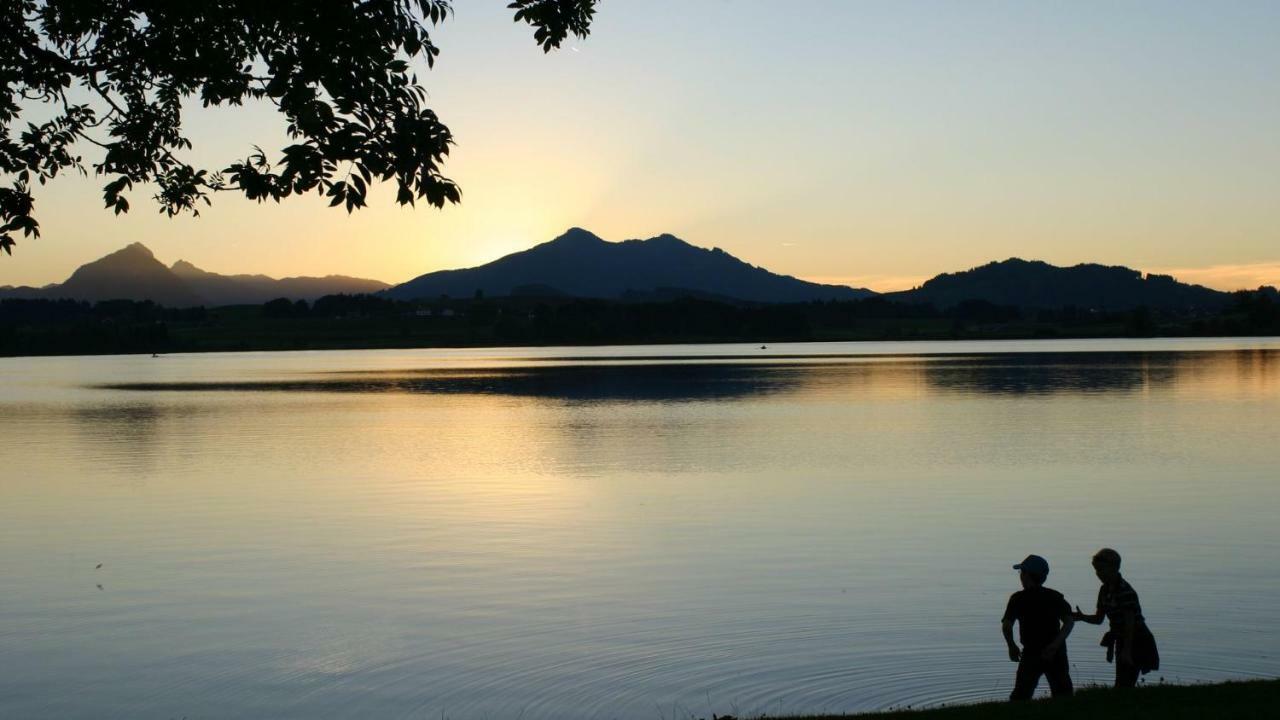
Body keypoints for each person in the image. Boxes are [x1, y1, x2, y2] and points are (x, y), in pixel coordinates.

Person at [1072, 548, 1160, 687]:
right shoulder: (1104, 590)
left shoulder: (1125, 591)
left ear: (1114, 568)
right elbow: (1099, 619)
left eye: (1102, 569)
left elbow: (1130, 623)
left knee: (1125, 682)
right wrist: (1082, 617)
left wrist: (1126, 651)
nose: (1098, 574)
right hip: (1121, 638)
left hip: (1137, 639)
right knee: (1123, 681)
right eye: (1096, 570)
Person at [1001, 554, 1075, 701]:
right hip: (1056, 653)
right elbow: (1069, 622)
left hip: (1031, 653)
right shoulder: (1055, 597)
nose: (1020, 576)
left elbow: (1007, 625)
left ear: (1026, 575)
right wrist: (1055, 645)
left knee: (1021, 696)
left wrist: (1011, 646)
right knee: (1063, 695)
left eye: (1021, 572)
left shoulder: (1017, 599)